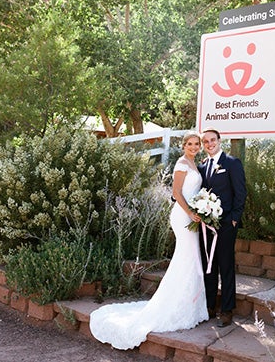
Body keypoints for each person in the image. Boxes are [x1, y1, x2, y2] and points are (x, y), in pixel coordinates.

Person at [89, 132, 208, 350]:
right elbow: (176, 192)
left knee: (191, 257)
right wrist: (191, 212)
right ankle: (176, 305)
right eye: (190, 144)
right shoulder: (182, 163)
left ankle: (191, 304)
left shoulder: (194, 162)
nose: (193, 146)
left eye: (196, 144)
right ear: (183, 146)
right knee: (187, 256)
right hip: (183, 215)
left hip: (193, 214)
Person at [198, 127, 247, 327]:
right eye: (206, 142)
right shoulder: (202, 166)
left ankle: (227, 310)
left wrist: (234, 218)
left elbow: (241, 192)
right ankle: (210, 306)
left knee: (226, 266)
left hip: (226, 224)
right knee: (209, 265)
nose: (209, 144)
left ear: (219, 140)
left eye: (212, 140)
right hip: (206, 225)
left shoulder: (232, 163)